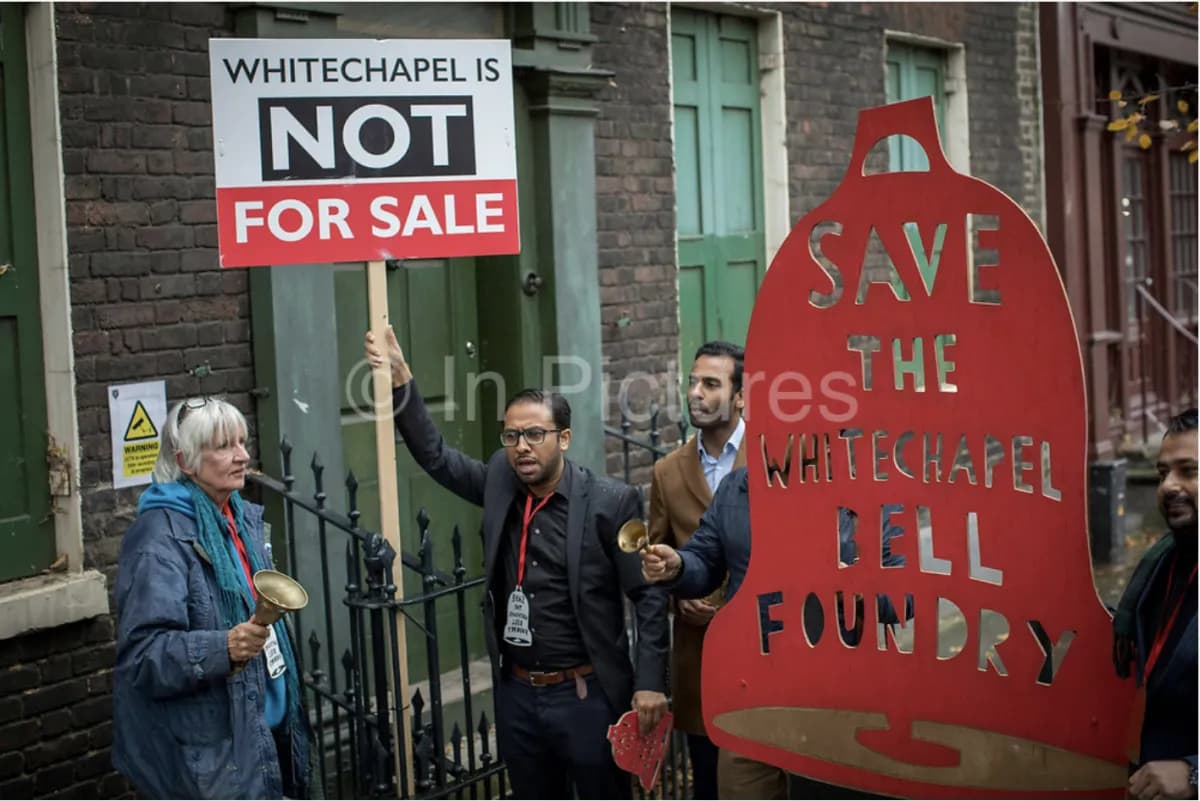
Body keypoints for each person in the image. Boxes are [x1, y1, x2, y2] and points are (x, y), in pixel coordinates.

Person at [366, 327, 669, 799]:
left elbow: (648, 595)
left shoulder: (610, 503)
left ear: (563, 438)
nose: (522, 447)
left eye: (534, 435)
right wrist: (402, 382)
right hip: (520, 695)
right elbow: (437, 457)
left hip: (586, 696)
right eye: (512, 436)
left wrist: (650, 683)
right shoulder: (501, 484)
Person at [641, 465, 900, 799]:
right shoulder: (738, 487)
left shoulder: (869, 488)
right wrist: (679, 564)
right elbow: (706, 559)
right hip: (753, 693)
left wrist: (854, 589)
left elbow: (904, 601)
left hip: (838, 697)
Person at [112, 397, 310, 800]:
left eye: (242, 442)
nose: (243, 456)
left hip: (261, 739)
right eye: (224, 446)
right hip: (211, 763)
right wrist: (223, 647)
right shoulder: (158, 538)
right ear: (185, 461)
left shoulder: (239, 518)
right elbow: (143, 658)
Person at [647, 341, 746, 800]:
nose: (695, 394)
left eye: (710, 384)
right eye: (692, 382)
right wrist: (675, 591)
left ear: (740, 395)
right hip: (701, 660)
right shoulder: (668, 472)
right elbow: (655, 560)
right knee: (708, 781)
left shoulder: (773, 457)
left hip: (764, 652)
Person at [1113, 407, 1198, 800]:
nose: (1168, 486)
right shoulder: (1161, 566)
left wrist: (1194, 773)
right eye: (1163, 473)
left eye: (1189, 470)